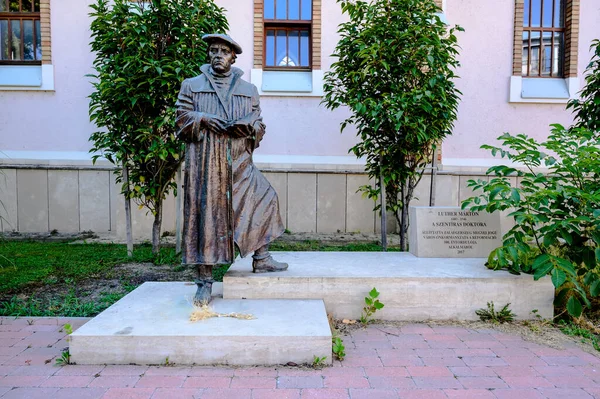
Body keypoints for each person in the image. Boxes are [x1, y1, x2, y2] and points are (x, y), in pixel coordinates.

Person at [176, 33, 288, 303]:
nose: (217, 55)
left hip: (239, 160)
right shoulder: (191, 85)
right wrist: (202, 118)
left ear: (233, 57)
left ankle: (261, 258)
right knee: (207, 220)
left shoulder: (248, 89)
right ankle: (204, 281)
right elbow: (180, 118)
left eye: (223, 52)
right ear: (208, 55)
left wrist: (251, 127)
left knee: (265, 198)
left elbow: (259, 123)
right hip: (207, 163)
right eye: (213, 50)